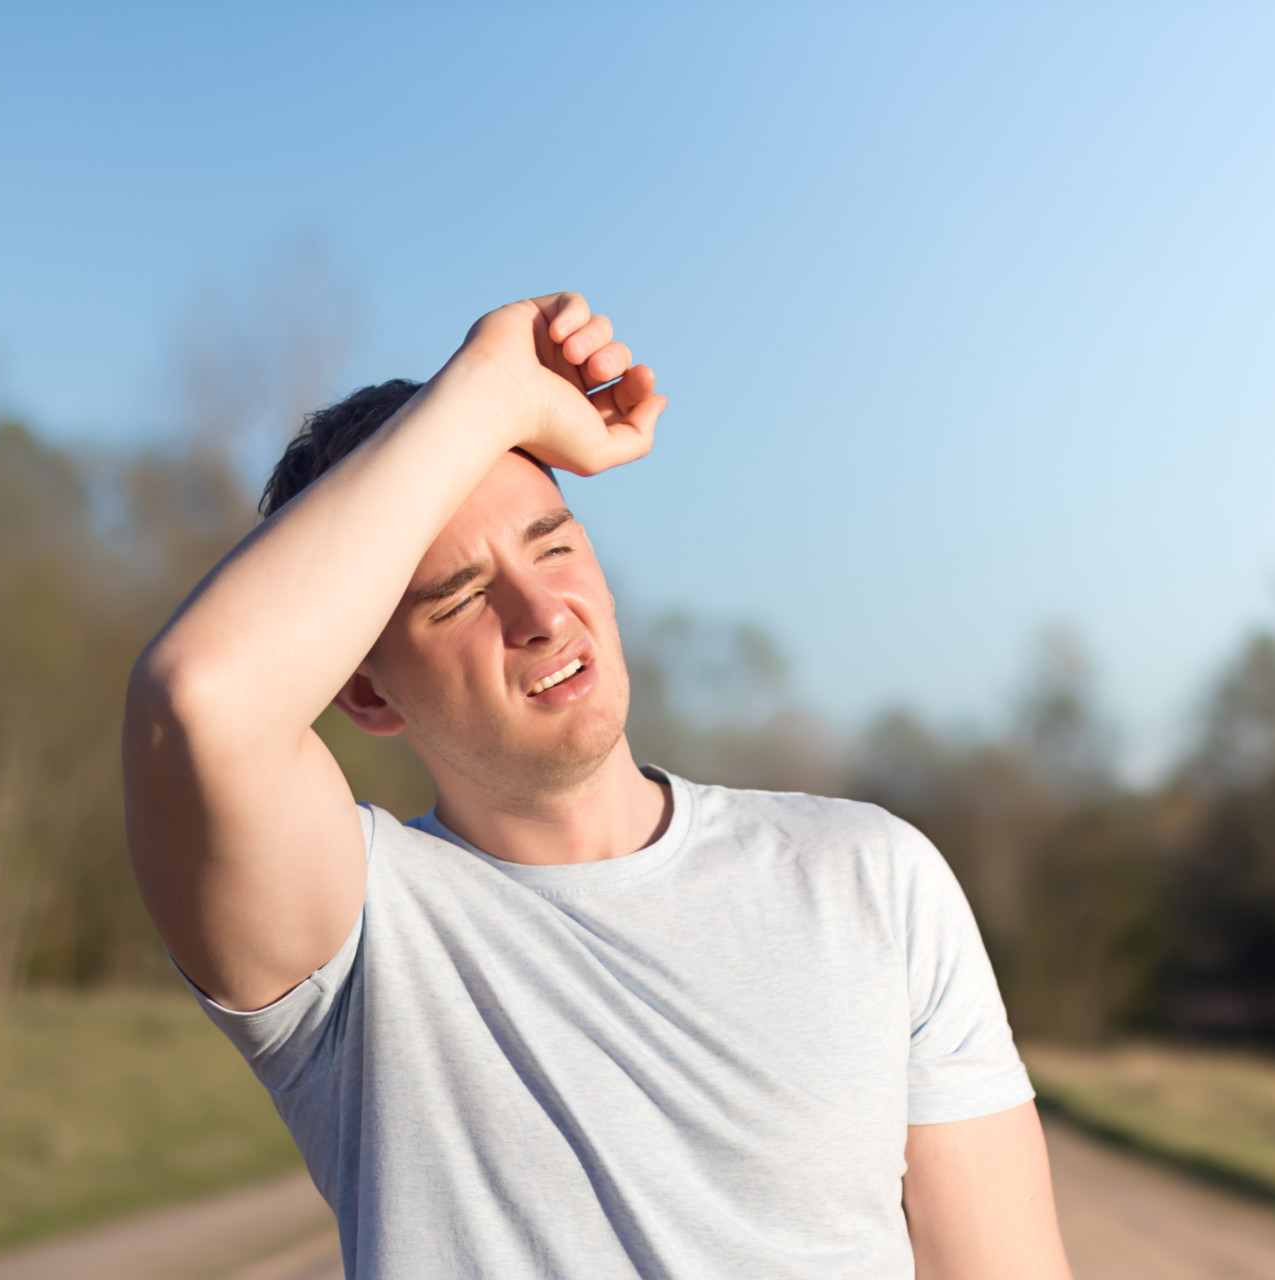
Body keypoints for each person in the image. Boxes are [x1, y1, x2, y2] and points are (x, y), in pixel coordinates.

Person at [123, 292, 1073, 1280]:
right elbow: (198, 699)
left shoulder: (872, 875)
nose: (543, 612)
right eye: (459, 599)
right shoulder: (355, 936)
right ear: (364, 691)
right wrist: (489, 385)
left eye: (556, 545)